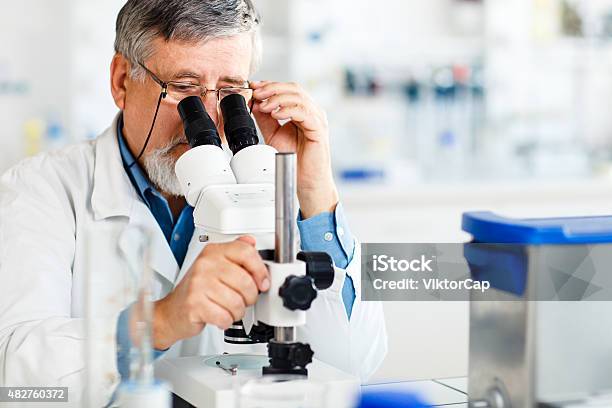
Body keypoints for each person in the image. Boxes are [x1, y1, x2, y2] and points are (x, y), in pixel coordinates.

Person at [0, 0, 387, 405]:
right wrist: (161, 321)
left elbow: (356, 363)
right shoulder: (40, 189)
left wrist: (315, 195)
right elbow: (18, 376)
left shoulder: (267, 184)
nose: (205, 117)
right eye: (184, 90)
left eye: (230, 93)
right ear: (121, 81)